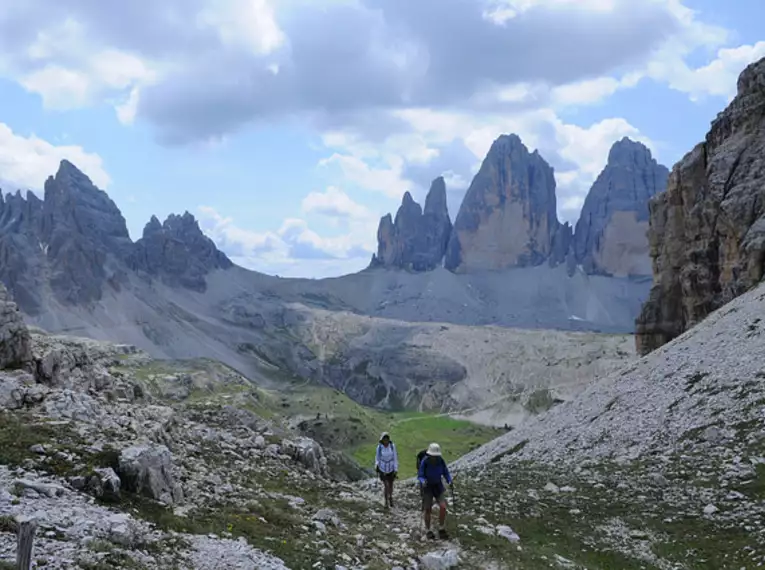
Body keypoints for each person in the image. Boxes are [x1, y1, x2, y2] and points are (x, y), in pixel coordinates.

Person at [417, 442, 453, 540]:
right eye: (433, 455)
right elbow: (420, 475)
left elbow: (445, 472)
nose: (434, 457)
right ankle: (428, 530)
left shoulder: (440, 461)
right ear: (429, 454)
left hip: (438, 486)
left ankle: (441, 528)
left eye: (435, 455)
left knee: (443, 507)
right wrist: (423, 481)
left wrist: (449, 480)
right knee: (428, 509)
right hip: (427, 487)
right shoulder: (425, 461)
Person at [375, 432, 398, 508]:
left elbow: (395, 457)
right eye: (384, 439)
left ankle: (390, 497)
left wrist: (395, 468)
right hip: (383, 468)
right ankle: (386, 501)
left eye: (387, 439)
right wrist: (377, 465)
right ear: (382, 440)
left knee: (391, 485)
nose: (386, 441)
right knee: (386, 485)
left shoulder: (392, 446)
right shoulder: (379, 447)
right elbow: (377, 457)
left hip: (391, 468)